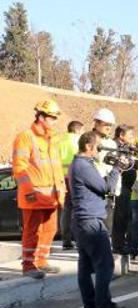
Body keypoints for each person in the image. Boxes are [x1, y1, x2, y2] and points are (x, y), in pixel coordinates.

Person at [69, 130, 125, 308]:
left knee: (85, 265)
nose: (99, 150)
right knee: (105, 263)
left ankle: (90, 303)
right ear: (88, 146)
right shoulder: (83, 166)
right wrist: (117, 169)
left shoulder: (79, 164)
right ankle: (103, 304)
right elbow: (105, 187)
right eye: (97, 147)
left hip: (82, 220)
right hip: (90, 221)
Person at [12, 99, 66, 279]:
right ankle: (28, 265)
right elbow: (20, 168)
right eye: (51, 117)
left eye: (55, 117)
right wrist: (28, 192)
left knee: (50, 230)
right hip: (34, 195)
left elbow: (56, 168)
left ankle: (41, 261)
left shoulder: (53, 139)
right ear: (41, 117)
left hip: (51, 196)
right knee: (32, 231)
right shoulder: (26, 137)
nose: (54, 121)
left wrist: (62, 190)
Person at [110, 124, 136, 254]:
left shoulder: (126, 148)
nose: (133, 138)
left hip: (127, 187)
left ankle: (122, 243)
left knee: (126, 216)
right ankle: (118, 245)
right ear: (121, 135)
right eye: (130, 135)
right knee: (119, 218)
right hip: (120, 186)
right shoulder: (114, 147)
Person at [91, 108, 118, 231]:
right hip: (93, 188)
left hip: (108, 189)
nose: (108, 127)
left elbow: (114, 168)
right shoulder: (87, 140)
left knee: (107, 226)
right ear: (96, 123)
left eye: (110, 125)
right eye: (105, 124)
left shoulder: (112, 144)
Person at [59, 120, 84, 250]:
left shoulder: (60, 140)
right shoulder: (79, 141)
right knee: (78, 209)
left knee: (66, 210)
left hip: (61, 179)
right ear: (77, 130)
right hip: (75, 178)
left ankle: (66, 241)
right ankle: (79, 239)